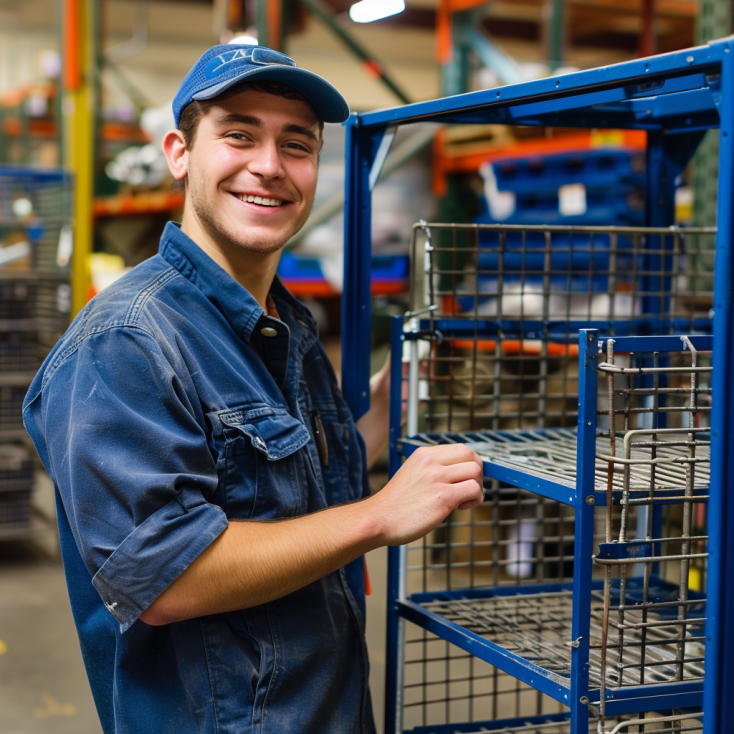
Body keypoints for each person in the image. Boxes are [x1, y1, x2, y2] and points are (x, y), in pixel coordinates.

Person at [23, 44, 484, 734]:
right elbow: (167, 578)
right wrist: (381, 514)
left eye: (295, 145)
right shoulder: (127, 341)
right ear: (180, 152)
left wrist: (383, 412)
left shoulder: (284, 321)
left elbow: (286, 490)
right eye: (239, 134)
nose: (269, 165)